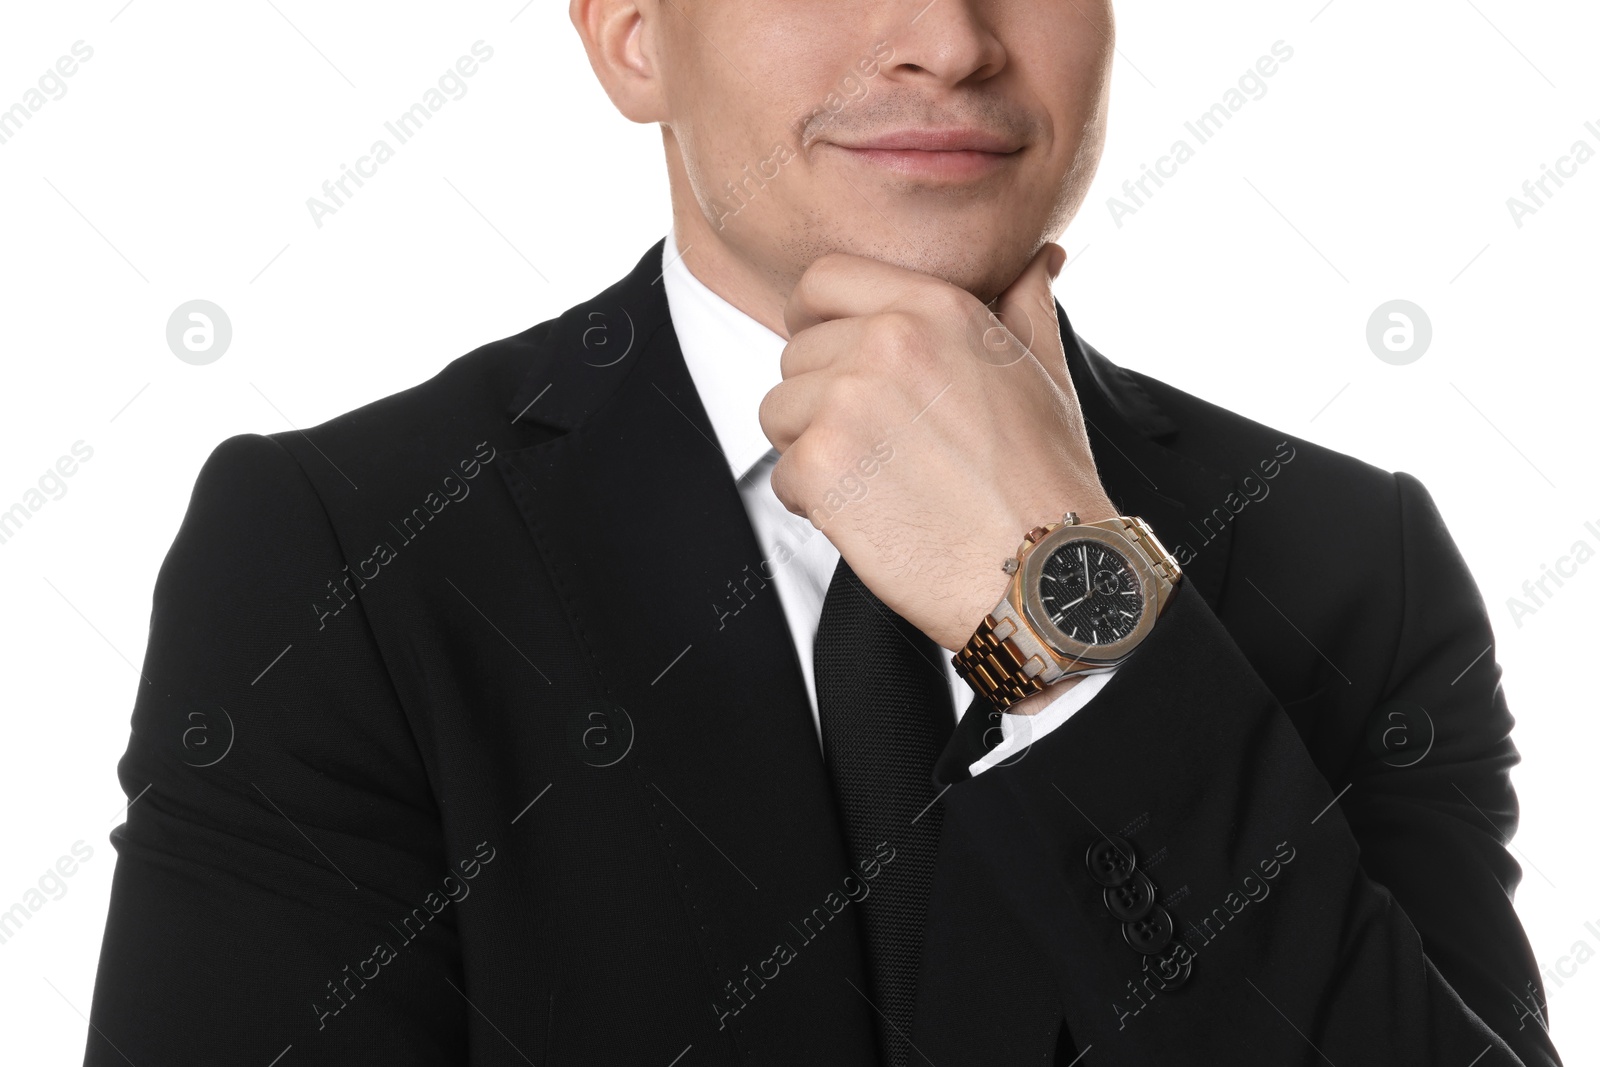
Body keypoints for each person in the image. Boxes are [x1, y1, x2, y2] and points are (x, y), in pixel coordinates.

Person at [83, 2, 1561, 1064]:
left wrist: (1072, 613)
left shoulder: (1352, 559)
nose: (949, 37)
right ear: (628, 32)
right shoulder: (345, 552)